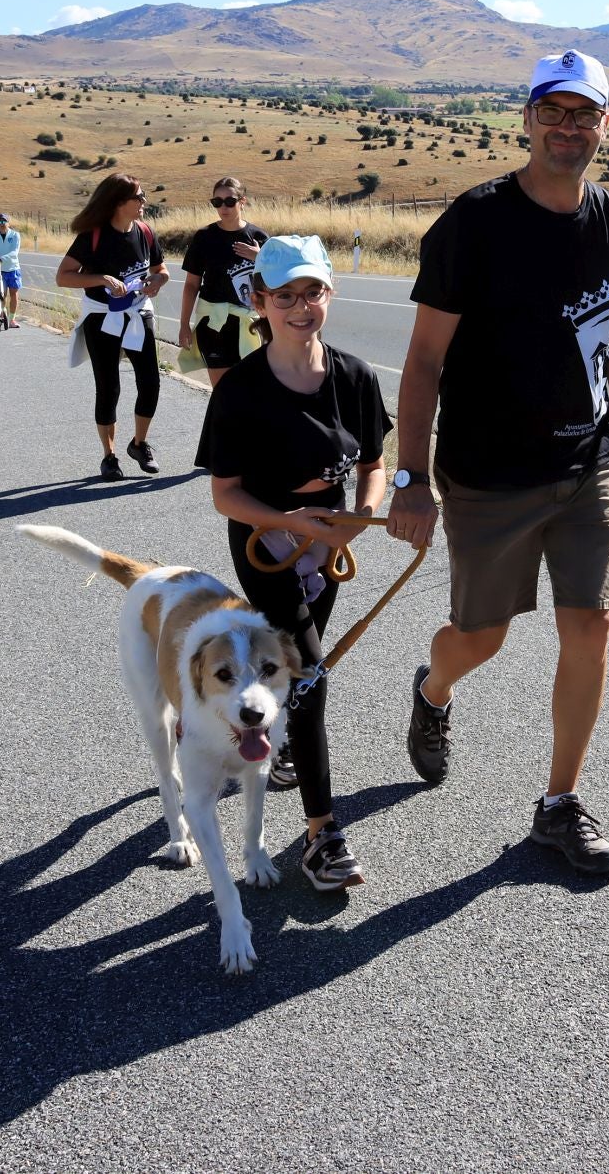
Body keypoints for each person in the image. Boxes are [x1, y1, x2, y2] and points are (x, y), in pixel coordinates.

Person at [386, 48, 609, 876]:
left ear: (605, 126)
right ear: (527, 117)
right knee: (480, 638)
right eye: (554, 110)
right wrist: (411, 476)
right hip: (487, 475)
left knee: (594, 624)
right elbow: (423, 362)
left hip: (587, 468)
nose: (569, 127)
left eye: (585, 114)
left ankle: (558, 804)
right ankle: (433, 690)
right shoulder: (473, 224)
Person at [196, 234, 390, 889]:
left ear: (329, 293)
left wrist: (356, 522)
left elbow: (373, 464)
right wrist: (292, 525)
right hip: (268, 543)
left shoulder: (355, 377)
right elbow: (226, 494)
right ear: (260, 300)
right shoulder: (241, 392)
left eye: (313, 292)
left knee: (298, 667)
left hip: (329, 543)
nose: (301, 307)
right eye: (286, 296)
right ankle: (322, 836)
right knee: (311, 677)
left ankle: (282, 753)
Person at [55, 173, 170, 480]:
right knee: (109, 387)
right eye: (139, 197)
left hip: (137, 312)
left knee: (151, 382)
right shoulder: (93, 236)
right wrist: (100, 279)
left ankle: (139, 443)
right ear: (119, 202)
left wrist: (158, 281)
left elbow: (161, 269)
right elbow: (63, 276)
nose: (144, 201)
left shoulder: (145, 232)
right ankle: (109, 456)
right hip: (101, 317)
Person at [177, 177, 268, 386]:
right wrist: (183, 324)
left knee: (251, 391)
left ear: (242, 201)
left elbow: (275, 283)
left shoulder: (258, 237)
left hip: (250, 324)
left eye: (229, 201)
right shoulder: (204, 237)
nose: (223, 207)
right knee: (222, 393)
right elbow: (191, 285)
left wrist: (260, 257)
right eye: (217, 202)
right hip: (213, 323)